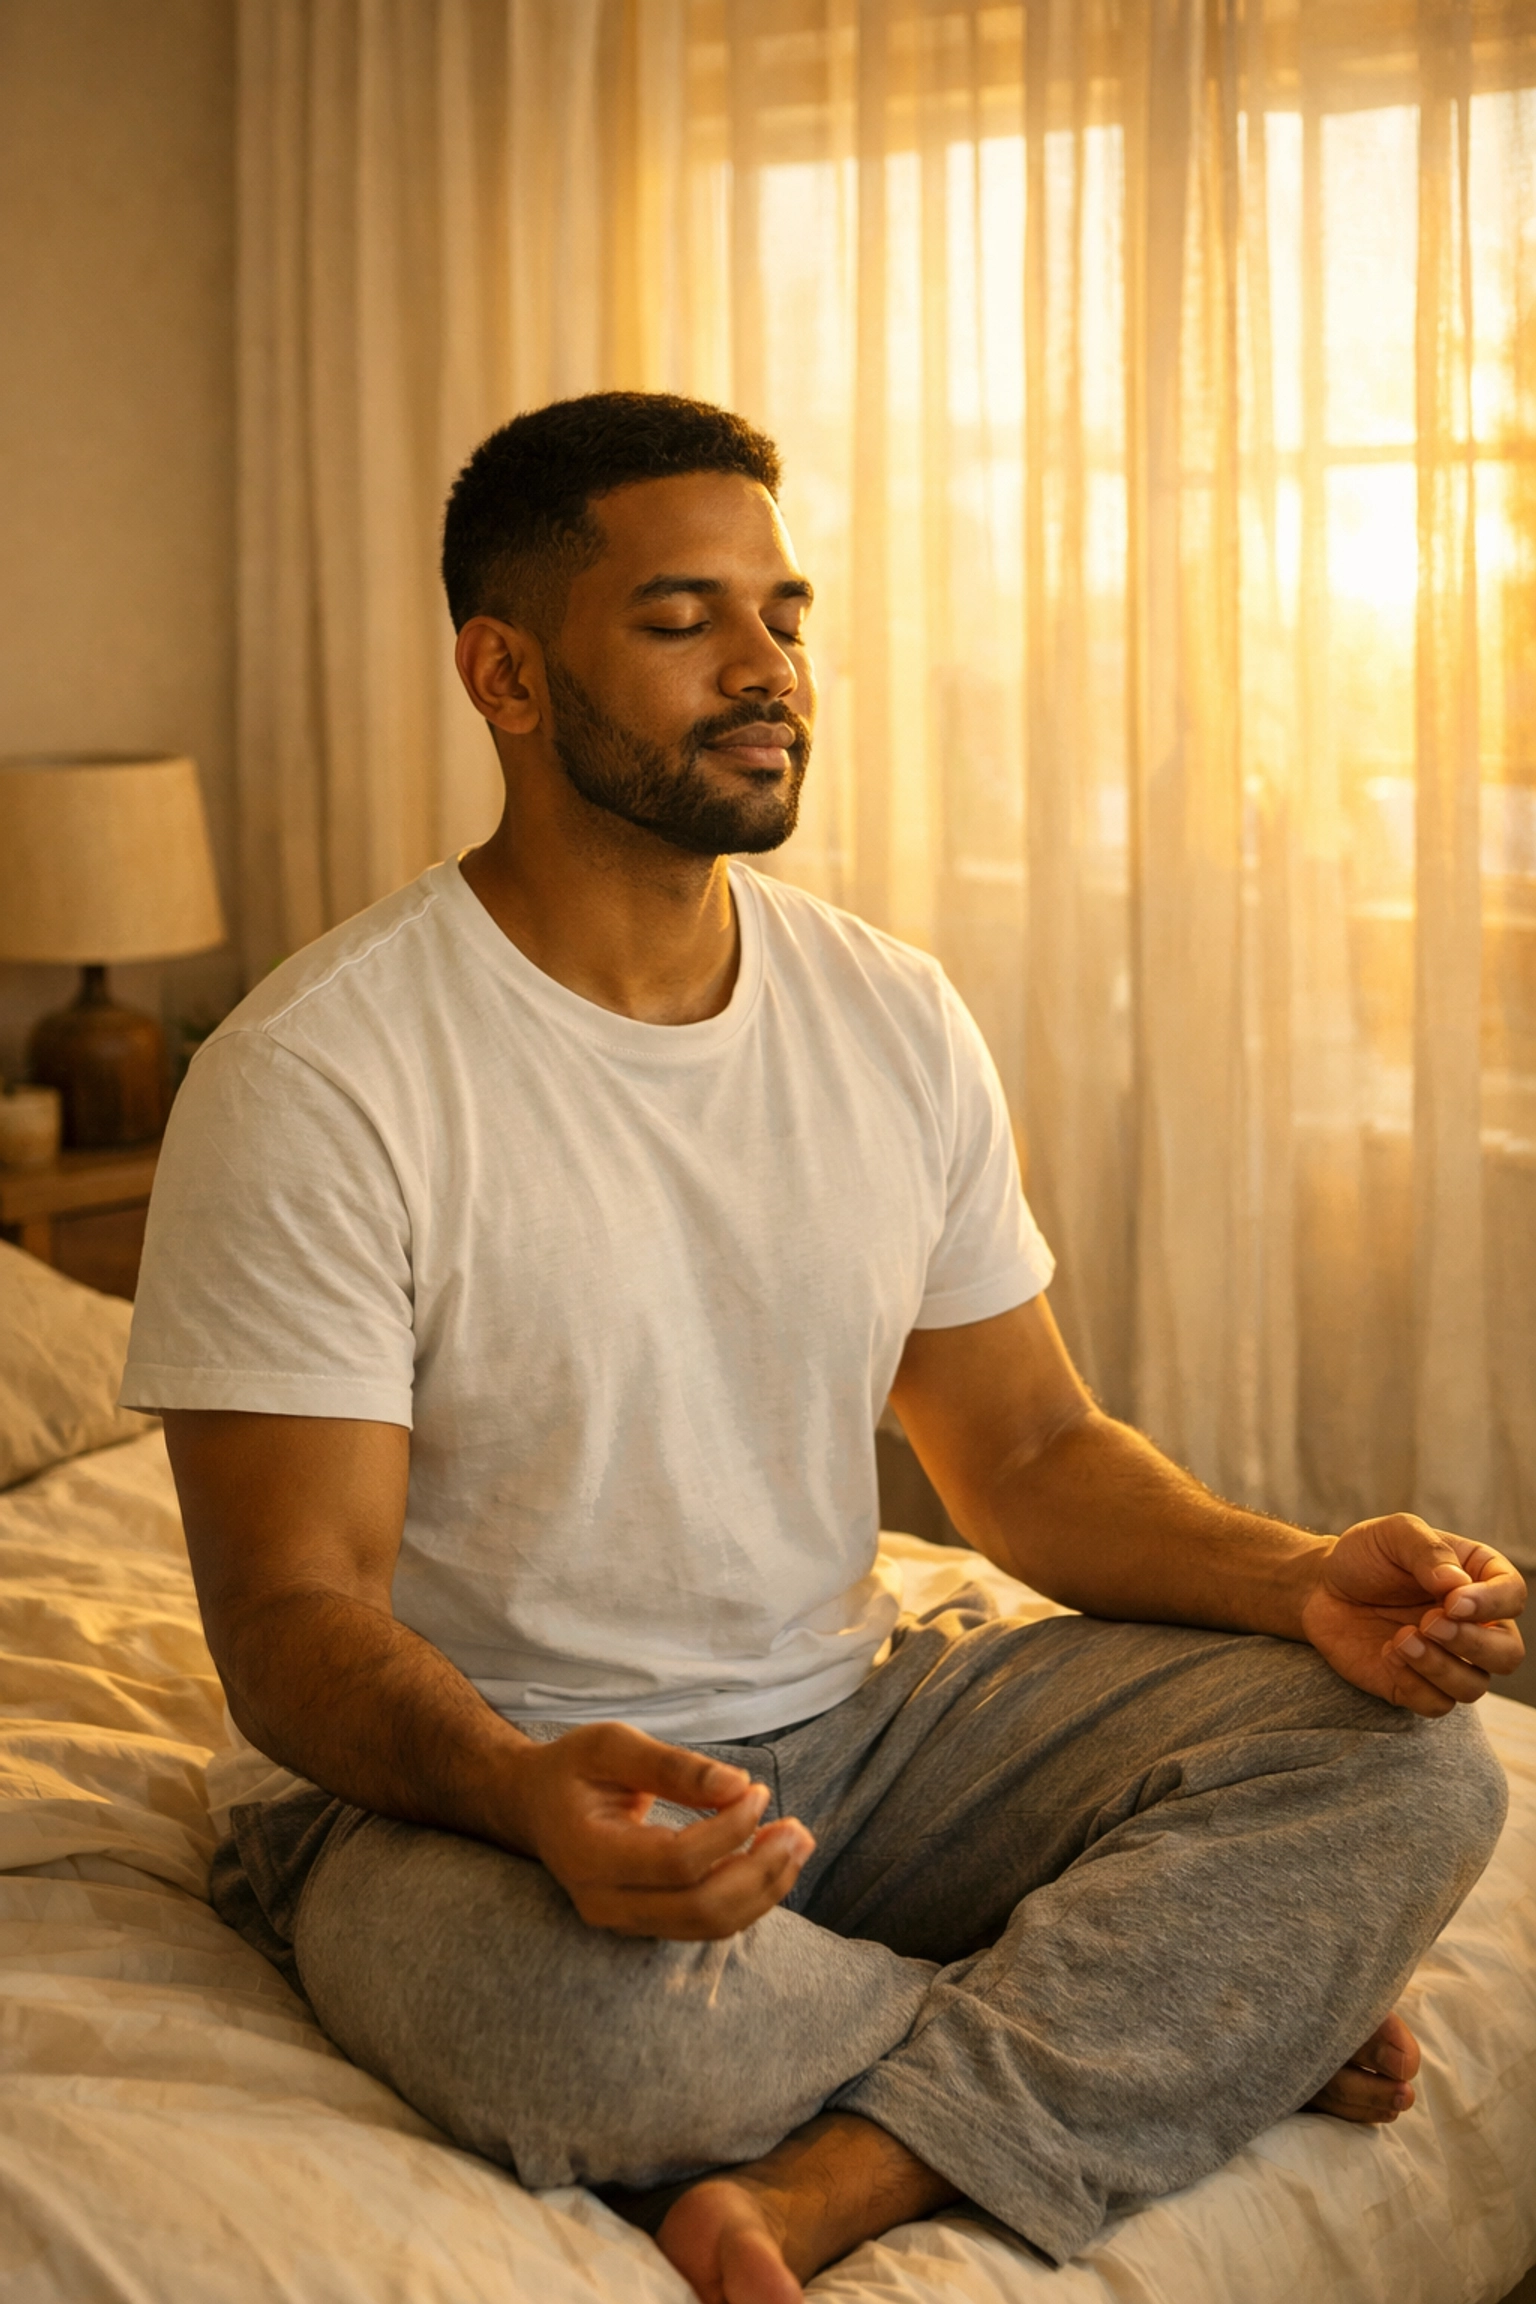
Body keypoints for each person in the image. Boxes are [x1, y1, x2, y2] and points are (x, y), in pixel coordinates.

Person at [123, 392, 1524, 2304]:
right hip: (470, 1790)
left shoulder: (892, 1010)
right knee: (611, 2048)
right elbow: (287, 1616)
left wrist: (1304, 1583)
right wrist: (531, 1793)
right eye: (685, 617)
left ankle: (850, 2164)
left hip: (862, 1730)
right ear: (504, 671)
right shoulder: (319, 1078)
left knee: (1423, 1770)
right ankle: (1116, 2034)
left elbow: (1025, 1454)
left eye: (786, 611)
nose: (768, 665)